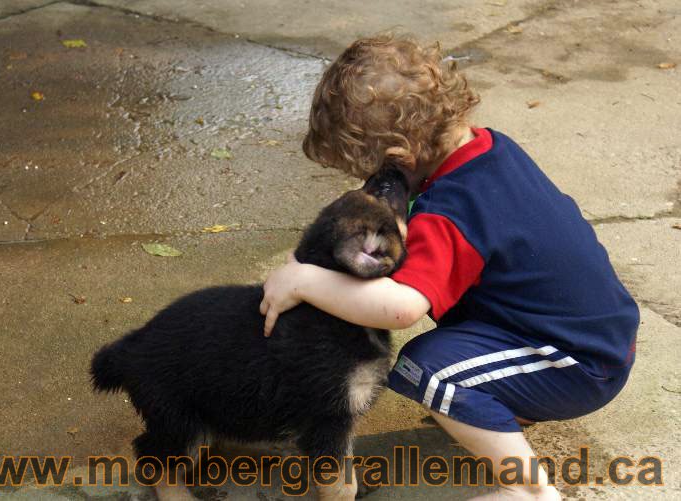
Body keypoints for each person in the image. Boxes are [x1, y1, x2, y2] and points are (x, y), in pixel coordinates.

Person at [259, 35, 639, 500]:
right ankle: (505, 404)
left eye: (373, 170)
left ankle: (530, 490)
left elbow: (400, 309)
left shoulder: (452, 211)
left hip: (574, 363)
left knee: (431, 371)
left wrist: (306, 279)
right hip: (596, 338)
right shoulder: (490, 151)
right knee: (461, 340)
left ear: (402, 157)